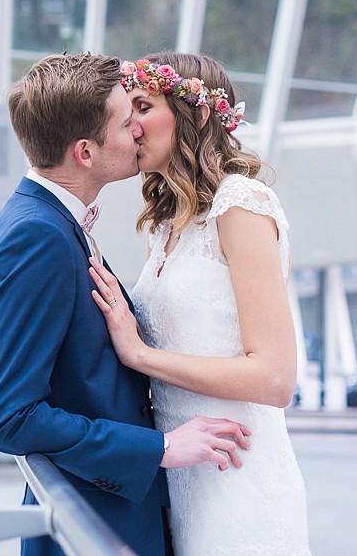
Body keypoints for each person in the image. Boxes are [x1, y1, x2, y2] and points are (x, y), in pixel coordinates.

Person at [0, 53, 254, 556]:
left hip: (119, 509)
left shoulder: (53, 224)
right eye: (128, 123)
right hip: (93, 526)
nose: (139, 133)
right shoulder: (38, 237)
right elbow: (6, 416)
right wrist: (161, 448)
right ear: (85, 151)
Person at [88, 52, 311, 556]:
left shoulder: (242, 205)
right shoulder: (166, 224)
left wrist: (140, 354)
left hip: (240, 475)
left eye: (143, 106)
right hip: (183, 480)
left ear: (199, 114)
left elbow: (275, 380)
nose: (131, 126)